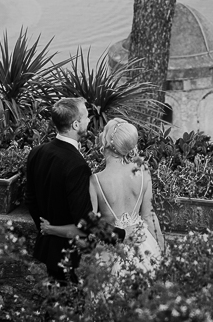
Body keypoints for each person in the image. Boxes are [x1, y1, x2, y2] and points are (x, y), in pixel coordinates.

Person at [41, 117, 164, 274]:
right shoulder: (143, 173)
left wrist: (51, 229)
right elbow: (149, 217)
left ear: (106, 142)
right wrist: (162, 251)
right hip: (144, 247)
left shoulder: (96, 181)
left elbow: (88, 227)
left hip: (110, 254)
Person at [24, 97, 94, 282]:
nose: (90, 120)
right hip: (70, 254)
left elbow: (30, 199)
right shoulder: (77, 166)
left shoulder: (37, 152)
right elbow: (83, 220)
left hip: (48, 247)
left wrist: (45, 228)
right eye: (87, 117)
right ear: (76, 124)